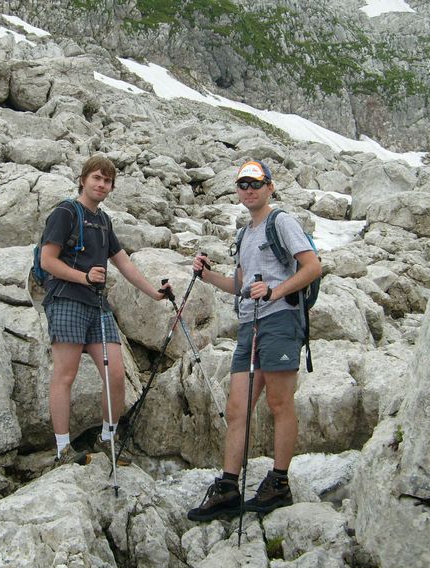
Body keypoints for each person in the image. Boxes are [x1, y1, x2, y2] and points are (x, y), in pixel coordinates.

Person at [187, 160, 321, 520]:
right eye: (243, 184)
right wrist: (206, 275)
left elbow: (312, 267)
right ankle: (229, 487)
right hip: (250, 324)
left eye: (256, 184)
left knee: (279, 404)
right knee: (237, 409)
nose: (248, 190)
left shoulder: (283, 223)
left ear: (270, 188)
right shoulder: (244, 234)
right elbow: (240, 287)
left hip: (279, 320)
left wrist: (275, 291)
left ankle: (279, 483)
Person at [40, 155, 172, 468]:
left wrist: (154, 293)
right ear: (83, 179)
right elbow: (48, 260)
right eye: (97, 178)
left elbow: (123, 261)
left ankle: (107, 440)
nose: (101, 185)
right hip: (67, 299)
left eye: (107, 181)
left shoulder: (103, 220)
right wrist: (84, 277)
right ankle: (62, 450)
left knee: (115, 374)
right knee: (65, 374)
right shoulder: (65, 213)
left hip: (97, 306)